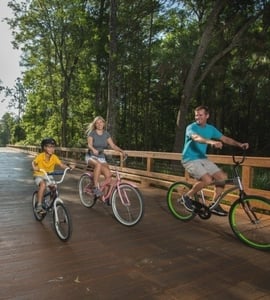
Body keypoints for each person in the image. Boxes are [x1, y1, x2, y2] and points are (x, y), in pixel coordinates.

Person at [181, 105, 249, 216]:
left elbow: (225, 139)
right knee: (207, 180)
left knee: (222, 178)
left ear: (207, 116)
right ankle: (187, 196)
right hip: (189, 159)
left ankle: (214, 204)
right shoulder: (191, 127)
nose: (197, 117)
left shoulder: (211, 129)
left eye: (200, 115)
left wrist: (240, 145)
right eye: (196, 115)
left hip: (202, 158)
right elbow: (197, 138)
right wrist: (212, 142)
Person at [85, 116, 127, 197]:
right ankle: (95, 187)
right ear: (95, 125)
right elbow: (89, 145)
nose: (99, 124)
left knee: (108, 177)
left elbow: (113, 145)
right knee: (98, 164)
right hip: (91, 156)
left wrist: (122, 151)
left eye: (101, 122)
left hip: (101, 157)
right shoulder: (92, 133)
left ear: (104, 123)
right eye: (97, 123)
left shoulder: (106, 134)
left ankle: (104, 196)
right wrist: (93, 149)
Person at [32, 138, 73, 214]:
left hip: (49, 175)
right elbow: (34, 163)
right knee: (43, 185)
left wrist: (68, 167)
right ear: (44, 148)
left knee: (54, 188)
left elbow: (61, 164)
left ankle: (49, 202)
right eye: (49, 147)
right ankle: (39, 205)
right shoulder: (40, 156)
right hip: (39, 174)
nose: (51, 149)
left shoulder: (54, 157)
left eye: (53, 147)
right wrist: (35, 167)